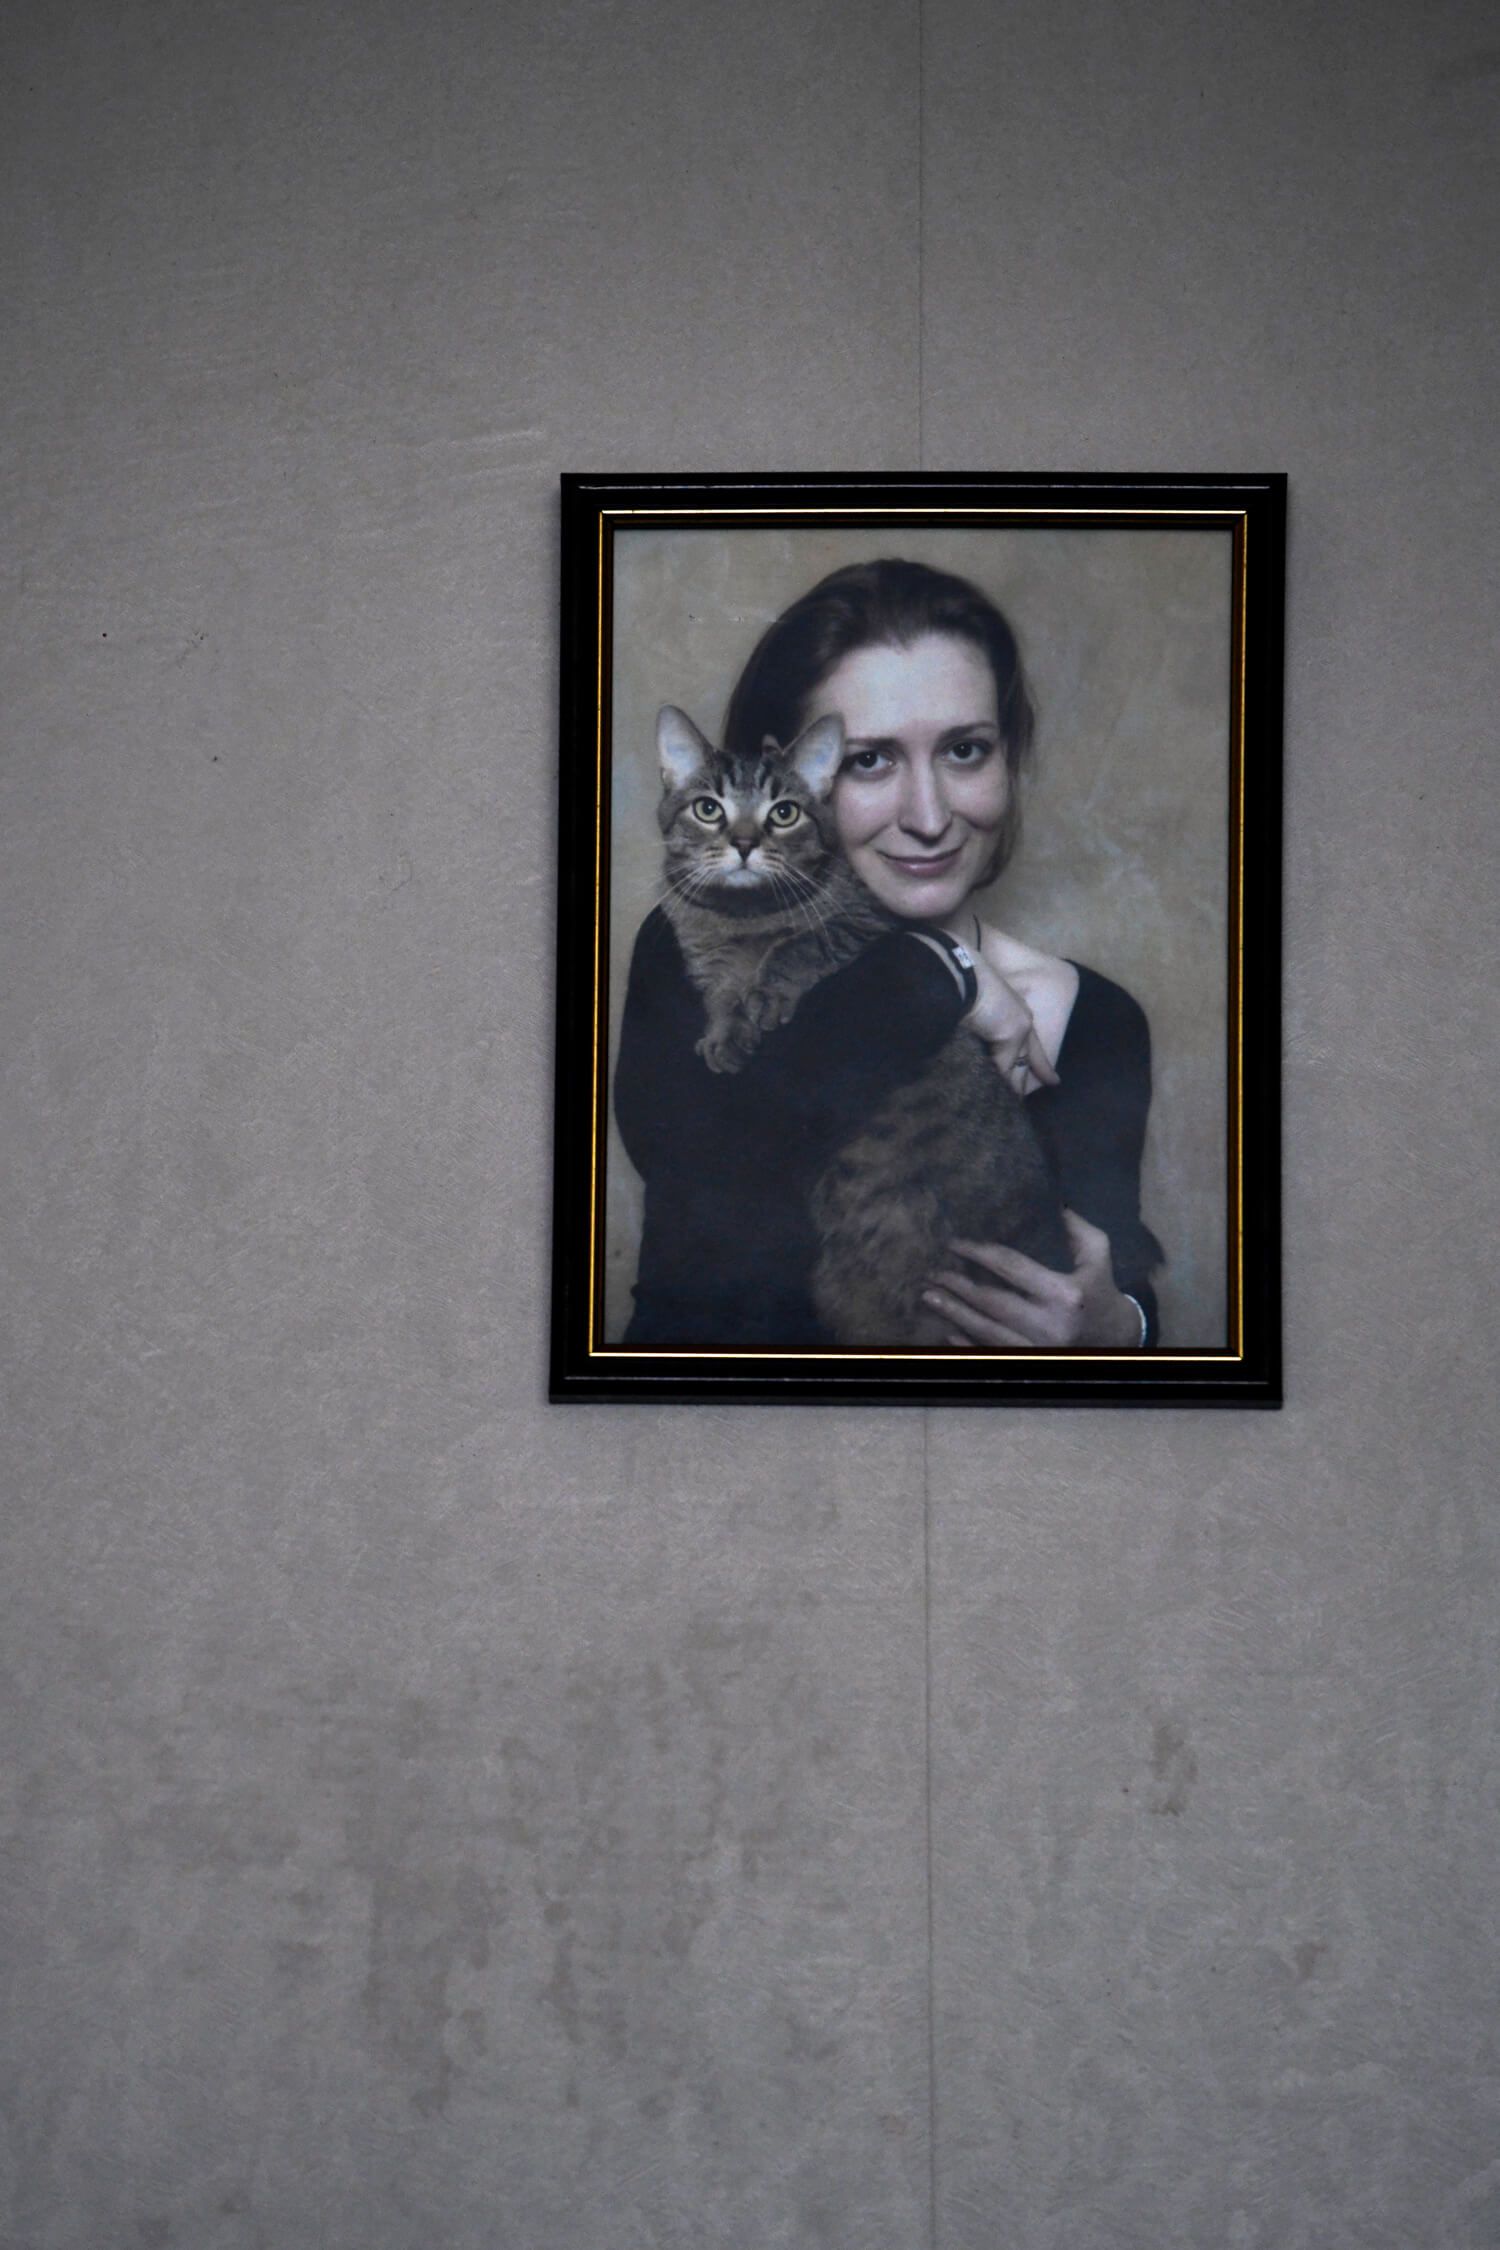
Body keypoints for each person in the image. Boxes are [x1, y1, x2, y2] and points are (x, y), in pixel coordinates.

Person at [613, 558, 1162, 1350]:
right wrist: (942, 971)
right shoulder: (691, 940)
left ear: (1010, 760)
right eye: (868, 760)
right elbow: (704, 1195)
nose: (928, 817)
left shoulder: (1098, 1016)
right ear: (793, 772)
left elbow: (1119, 1276)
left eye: (966, 750)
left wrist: (1120, 1328)